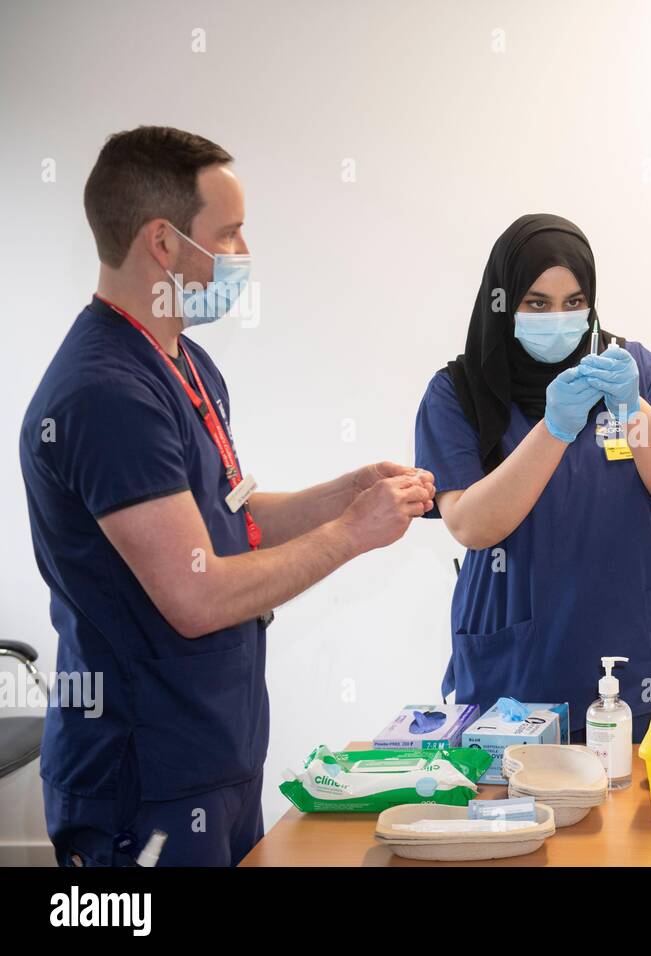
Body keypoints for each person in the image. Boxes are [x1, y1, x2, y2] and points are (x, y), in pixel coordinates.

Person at [18, 126, 435, 866]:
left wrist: (349, 493)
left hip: (214, 760)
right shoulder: (106, 394)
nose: (243, 256)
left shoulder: (185, 362)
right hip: (141, 782)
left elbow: (232, 523)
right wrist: (351, 535)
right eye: (231, 234)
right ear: (164, 244)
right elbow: (196, 593)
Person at [415, 213, 651, 743]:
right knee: (519, 803)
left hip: (630, 645)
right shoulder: (458, 392)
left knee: (640, 807)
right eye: (537, 303)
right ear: (503, 303)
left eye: (574, 302)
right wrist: (554, 429)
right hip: (519, 656)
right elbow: (471, 526)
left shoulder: (630, 367)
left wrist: (633, 407)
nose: (559, 318)